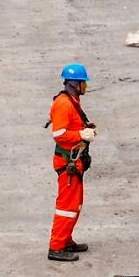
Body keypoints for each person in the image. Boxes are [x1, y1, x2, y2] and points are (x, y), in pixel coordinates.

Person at [48, 63, 97, 262]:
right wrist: (80, 135)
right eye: (84, 83)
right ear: (76, 84)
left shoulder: (71, 101)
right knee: (66, 207)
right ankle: (56, 247)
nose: (86, 86)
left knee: (74, 205)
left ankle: (66, 240)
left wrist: (85, 127)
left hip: (74, 162)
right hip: (67, 163)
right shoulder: (64, 104)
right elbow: (59, 134)